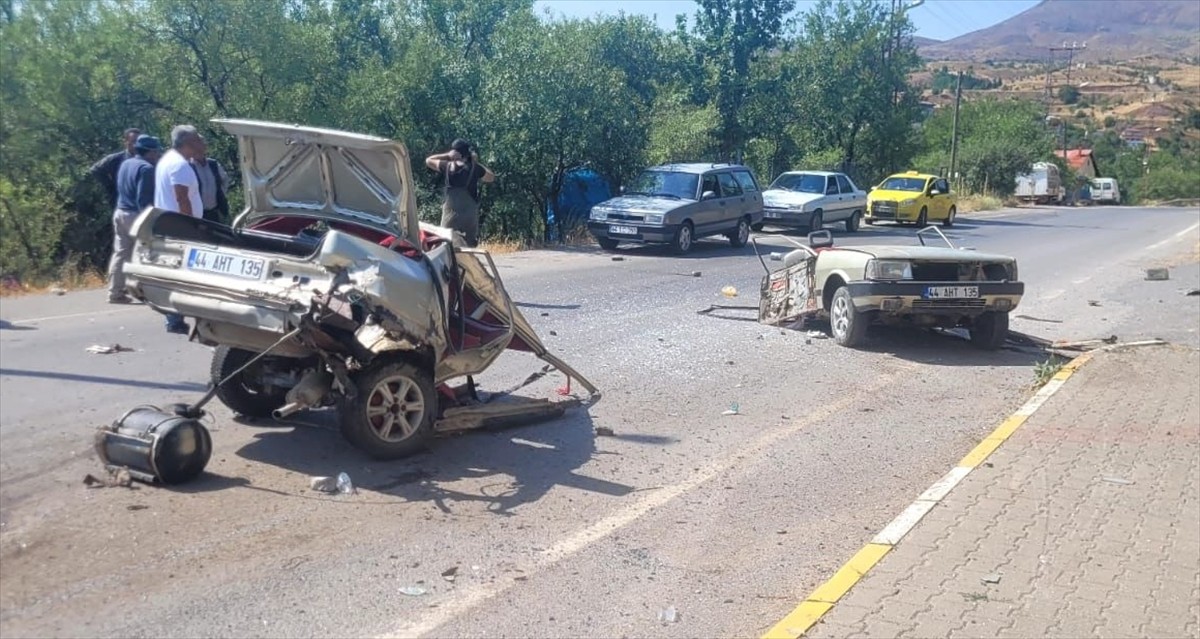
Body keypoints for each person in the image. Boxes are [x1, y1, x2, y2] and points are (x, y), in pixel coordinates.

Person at [154, 125, 206, 334]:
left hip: (169, 225)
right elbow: (182, 198)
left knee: (176, 275)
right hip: (181, 228)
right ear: (189, 143)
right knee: (187, 275)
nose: (202, 143)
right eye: (198, 139)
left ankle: (174, 318)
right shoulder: (179, 166)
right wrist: (191, 227)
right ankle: (178, 319)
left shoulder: (168, 160)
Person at [107, 134, 163, 304]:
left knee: (121, 253)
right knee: (147, 252)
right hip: (135, 215)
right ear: (150, 152)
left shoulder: (126, 163)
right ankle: (146, 291)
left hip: (120, 212)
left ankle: (115, 292)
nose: (158, 155)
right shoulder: (146, 169)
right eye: (156, 152)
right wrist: (150, 221)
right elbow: (143, 200)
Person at [425, 139, 495, 247]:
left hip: (450, 215)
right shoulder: (475, 168)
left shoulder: (446, 166)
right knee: (469, 247)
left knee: (445, 244)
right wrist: (475, 161)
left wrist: (447, 155)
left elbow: (428, 160)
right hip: (469, 216)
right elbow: (491, 177)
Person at [89, 128, 141, 208]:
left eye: (138, 142)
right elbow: (95, 169)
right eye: (133, 141)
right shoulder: (116, 159)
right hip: (120, 203)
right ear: (126, 142)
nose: (136, 145)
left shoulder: (146, 158)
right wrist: (111, 186)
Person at [192, 136, 230, 223]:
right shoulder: (189, 167)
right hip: (197, 215)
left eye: (201, 146)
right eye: (196, 147)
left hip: (215, 212)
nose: (199, 150)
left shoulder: (213, 164)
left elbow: (225, 179)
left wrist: (220, 193)